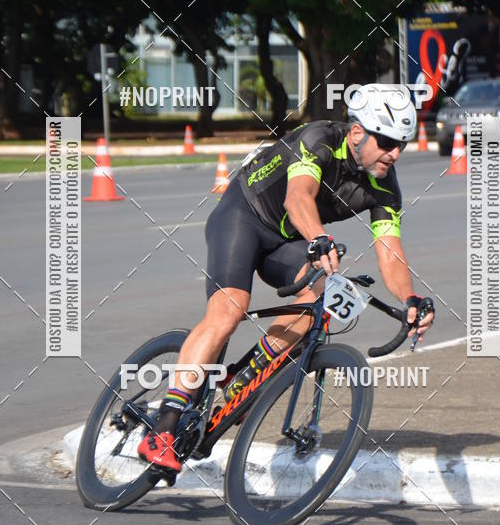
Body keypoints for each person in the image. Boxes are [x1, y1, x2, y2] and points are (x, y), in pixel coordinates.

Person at [138, 83, 435, 470]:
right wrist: (319, 238)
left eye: (402, 144)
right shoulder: (319, 140)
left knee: (324, 293)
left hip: (287, 240)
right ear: (358, 132)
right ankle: (163, 427)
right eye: (387, 141)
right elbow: (298, 197)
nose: (395, 153)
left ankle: (243, 380)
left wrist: (409, 299)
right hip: (243, 216)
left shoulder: (384, 187)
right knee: (229, 312)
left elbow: (390, 251)